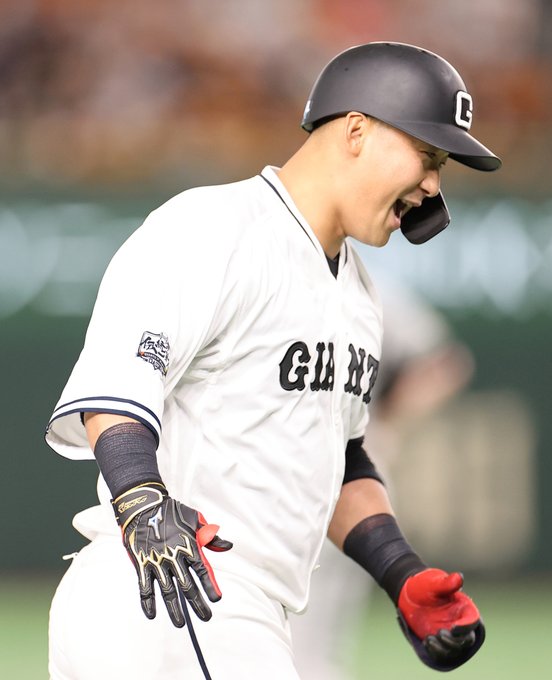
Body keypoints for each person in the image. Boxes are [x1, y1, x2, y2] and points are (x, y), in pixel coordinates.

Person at [45, 41, 501, 680]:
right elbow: (120, 382)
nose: (433, 185)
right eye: (428, 156)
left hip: (220, 608)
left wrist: (400, 571)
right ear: (356, 131)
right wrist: (141, 501)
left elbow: (339, 459)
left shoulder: (360, 296)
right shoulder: (217, 226)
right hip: (179, 590)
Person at [290, 284, 476, 679]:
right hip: (310, 480)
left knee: (308, 646)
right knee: (307, 645)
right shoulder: (290, 281)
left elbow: (448, 363)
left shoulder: (369, 291)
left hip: (352, 484)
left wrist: (390, 421)